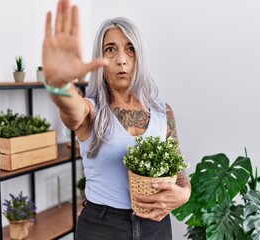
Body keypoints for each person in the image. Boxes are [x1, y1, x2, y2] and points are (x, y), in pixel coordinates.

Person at [42, 0, 191, 239]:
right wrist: (59, 83)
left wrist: (184, 193)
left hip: (156, 227)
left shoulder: (163, 112)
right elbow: (71, 110)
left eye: (130, 48)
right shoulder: (92, 110)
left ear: (140, 56)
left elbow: (179, 171)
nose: (121, 59)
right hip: (102, 228)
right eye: (110, 49)